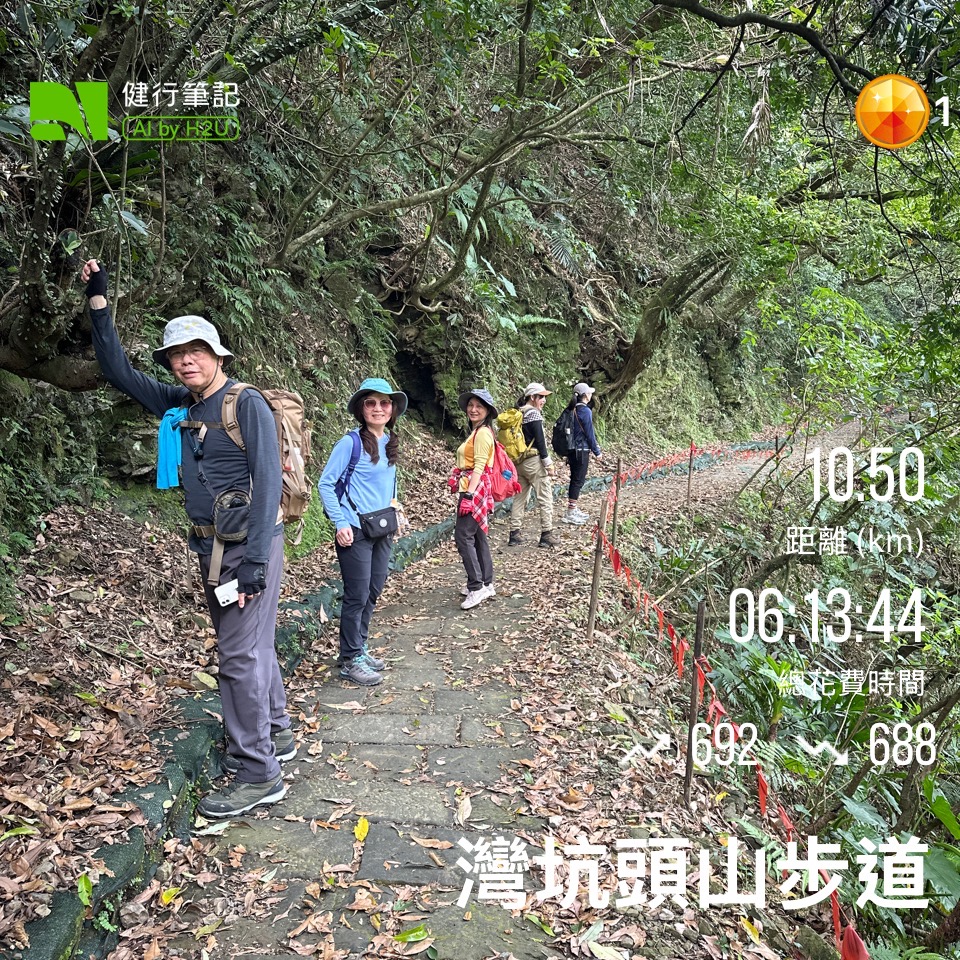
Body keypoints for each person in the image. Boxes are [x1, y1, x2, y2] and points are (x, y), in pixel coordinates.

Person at [80, 259, 293, 818]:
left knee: (237, 655)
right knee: (249, 646)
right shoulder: (180, 406)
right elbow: (117, 370)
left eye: (196, 350)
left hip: (250, 546)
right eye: (177, 354)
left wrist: (255, 562)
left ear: (218, 355)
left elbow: (268, 480)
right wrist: (99, 300)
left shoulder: (245, 402)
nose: (186, 360)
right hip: (210, 546)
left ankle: (258, 772)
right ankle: (277, 731)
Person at [318, 378, 407, 686]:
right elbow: (326, 484)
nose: (378, 408)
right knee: (356, 595)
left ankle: (360, 647)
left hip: (382, 527)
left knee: (373, 590)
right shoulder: (350, 443)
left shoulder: (389, 441)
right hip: (355, 530)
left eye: (384, 403)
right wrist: (340, 523)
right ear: (361, 408)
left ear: (392, 409)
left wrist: (397, 509)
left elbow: (389, 483)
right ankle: (350, 658)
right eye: (371, 403)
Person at [450, 389, 498, 610]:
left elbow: (479, 466)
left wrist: (468, 494)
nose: (473, 409)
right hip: (474, 487)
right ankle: (486, 583)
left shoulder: (483, 433)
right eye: (470, 405)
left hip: (474, 489)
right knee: (477, 535)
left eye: (479, 406)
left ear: (487, 411)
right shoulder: (477, 431)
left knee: (463, 535)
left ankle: (476, 586)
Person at [507, 382, 558, 548]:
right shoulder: (534, 414)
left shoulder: (518, 413)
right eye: (541, 397)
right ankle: (546, 534)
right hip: (533, 462)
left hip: (519, 462)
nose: (544, 400)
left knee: (519, 498)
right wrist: (548, 463)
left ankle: (514, 534)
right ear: (532, 397)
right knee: (545, 497)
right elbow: (541, 442)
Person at [562, 382, 603, 525]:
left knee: (574, 479)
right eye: (589, 392)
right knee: (578, 481)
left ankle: (573, 508)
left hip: (571, 450)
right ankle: (570, 512)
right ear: (585, 395)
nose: (591, 394)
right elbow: (589, 434)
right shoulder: (585, 411)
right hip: (581, 450)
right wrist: (597, 451)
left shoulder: (571, 409)